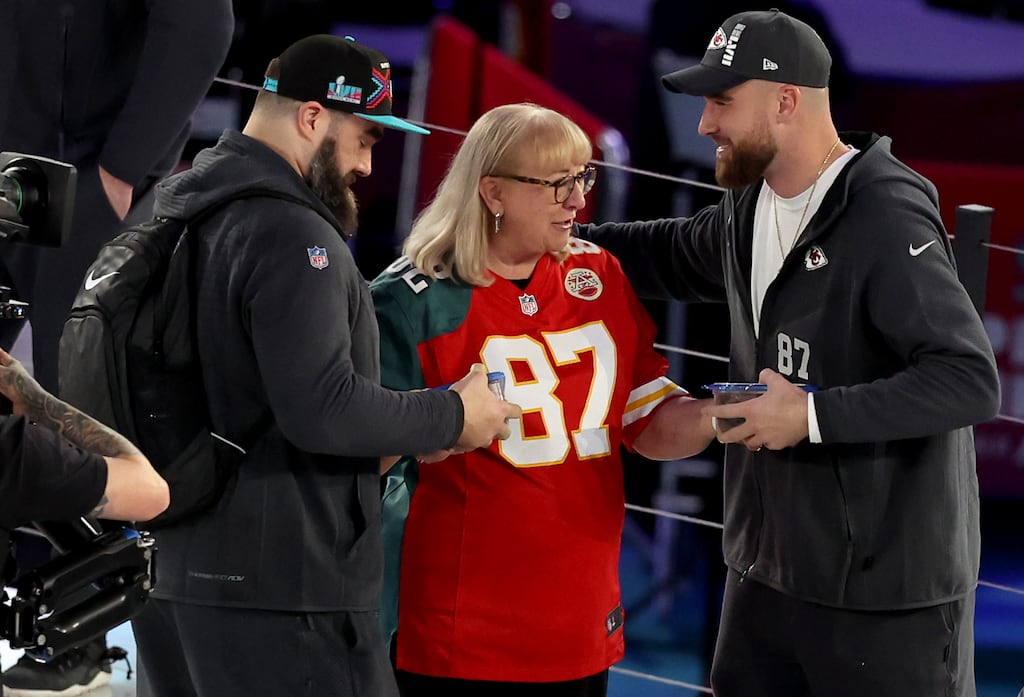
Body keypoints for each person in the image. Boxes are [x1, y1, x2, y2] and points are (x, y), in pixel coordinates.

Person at [576, 9, 1000, 697]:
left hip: (881, 602)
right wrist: (555, 241)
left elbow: (968, 378)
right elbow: (671, 253)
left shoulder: (885, 212)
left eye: (721, 102)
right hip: (764, 580)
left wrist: (808, 414)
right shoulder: (752, 201)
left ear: (784, 101)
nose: (705, 124)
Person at [125, 34, 519, 697]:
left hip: (173, 572)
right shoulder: (290, 233)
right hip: (280, 592)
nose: (369, 163)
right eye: (366, 137)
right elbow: (324, 409)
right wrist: (453, 413)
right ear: (313, 118)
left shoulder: (178, 206)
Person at [370, 102, 715, 697]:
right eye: (557, 183)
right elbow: (363, 456)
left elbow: (645, 420)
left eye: (583, 178)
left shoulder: (599, 274)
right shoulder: (410, 301)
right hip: (460, 633)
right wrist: (439, 425)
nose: (578, 200)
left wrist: (717, 416)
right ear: (492, 191)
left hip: (580, 623)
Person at [0, 5, 232, 690]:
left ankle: (83, 631)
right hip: (25, 166)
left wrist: (123, 166)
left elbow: (199, 22)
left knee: (73, 398)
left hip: (77, 175)